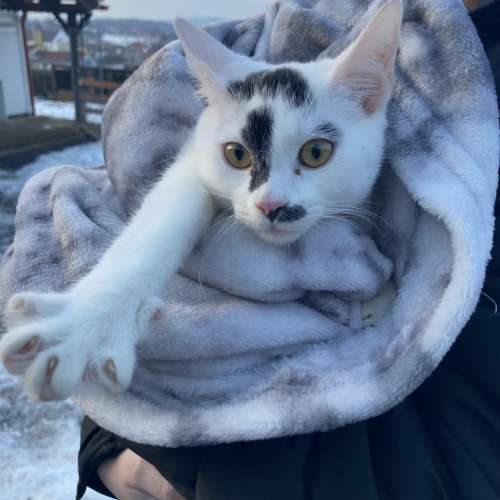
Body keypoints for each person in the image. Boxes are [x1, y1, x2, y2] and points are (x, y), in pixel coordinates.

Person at [77, 3, 500, 499]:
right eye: (238, 155)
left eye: (314, 153)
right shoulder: (282, 28)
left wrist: (176, 469)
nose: (271, 201)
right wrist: (112, 448)